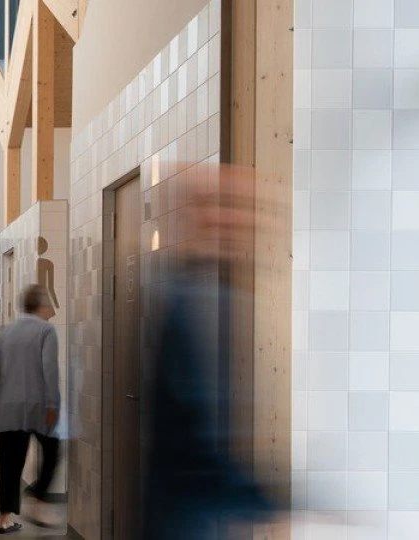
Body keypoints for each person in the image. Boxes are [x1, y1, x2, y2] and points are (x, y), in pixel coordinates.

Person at [141, 162, 277, 538]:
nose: (240, 219)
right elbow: (197, 459)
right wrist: (283, 505)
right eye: (225, 205)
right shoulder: (197, 303)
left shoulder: (202, 295)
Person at [0, 284, 64, 534]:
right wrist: (53, 404)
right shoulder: (46, 330)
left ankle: (3, 519)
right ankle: (36, 494)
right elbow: (49, 369)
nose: (51, 310)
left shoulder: (4, 332)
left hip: (7, 406)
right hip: (36, 406)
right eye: (49, 304)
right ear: (40, 305)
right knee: (52, 450)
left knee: (9, 463)